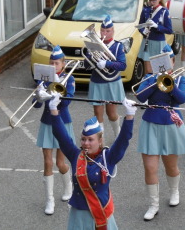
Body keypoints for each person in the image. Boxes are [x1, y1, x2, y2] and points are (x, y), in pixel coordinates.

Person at [49, 94, 136, 230]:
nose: (86, 143)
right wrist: (53, 110)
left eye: (90, 140)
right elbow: (62, 136)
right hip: (79, 214)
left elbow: (123, 140)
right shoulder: (75, 155)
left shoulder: (109, 157)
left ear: (100, 141)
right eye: (83, 139)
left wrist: (129, 115)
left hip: (101, 212)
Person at [135, 45, 185, 220]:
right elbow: (140, 96)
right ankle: (153, 205)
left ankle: (174, 191)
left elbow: (183, 98)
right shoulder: (149, 78)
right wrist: (155, 80)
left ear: (173, 62)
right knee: (150, 168)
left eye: (168, 61)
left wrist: (169, 83)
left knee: (171, 166)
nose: (164, 65)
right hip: (151, 124)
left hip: (170, 125)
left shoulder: (180, 78)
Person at [34, 45, 75, 215]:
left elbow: (67, 102)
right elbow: (36, 105)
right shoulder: (44, 79)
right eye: (51, 63)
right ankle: (49, 199)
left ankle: (69, 187)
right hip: (46, 122)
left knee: (60, 163)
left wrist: (58, 95)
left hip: (62, 122)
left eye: (56, 63)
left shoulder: (68, 79)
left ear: (63, 65)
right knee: (47, 162)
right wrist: (39, 93)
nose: (54, 65)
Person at [85, 15, 127, 137]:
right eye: (102, 30)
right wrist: (90, 57)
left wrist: (106, 63)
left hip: (111, 81)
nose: (104, 33)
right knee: (98, 112)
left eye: (107, 31)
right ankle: (100, 140)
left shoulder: (118, 46)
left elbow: (122, 65)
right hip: (97, 81)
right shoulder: (94, 45)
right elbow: (86, 65)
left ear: (112, 31)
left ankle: (117, 133)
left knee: (111, 113)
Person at [138, 0, 173, 74]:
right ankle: (149, 86)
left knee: (160, 70)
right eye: (150, 0)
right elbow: (140, 25)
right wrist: (143, 31)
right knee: (148, 71)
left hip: (159, 43)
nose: (151, 2)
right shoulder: (146, 10)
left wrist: (157, 26)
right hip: (147, 42)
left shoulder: (164, 12)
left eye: (154, 0)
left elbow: (169, 30)